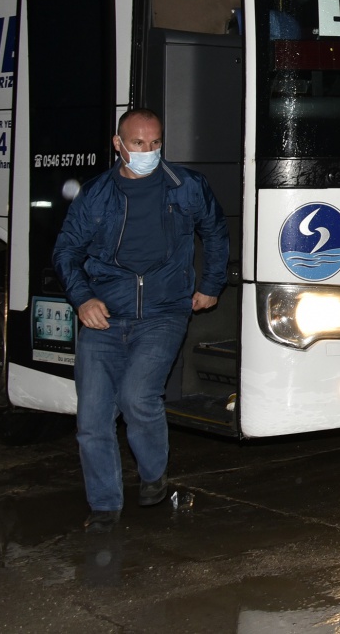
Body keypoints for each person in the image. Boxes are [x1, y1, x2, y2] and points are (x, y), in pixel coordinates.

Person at [52, 109, 229, 534]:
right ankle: (105, 505)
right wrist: (83, 298)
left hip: (163, 313)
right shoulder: (95, 195)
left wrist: (212, 283)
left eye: (154, 144)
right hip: (104, 317)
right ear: (118, 144)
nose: (147, 152)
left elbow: (217, 231)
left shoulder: (186, 187)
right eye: (137, 144)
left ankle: (153, 474)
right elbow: (65, 252)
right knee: (92, 419)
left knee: (137, 397)